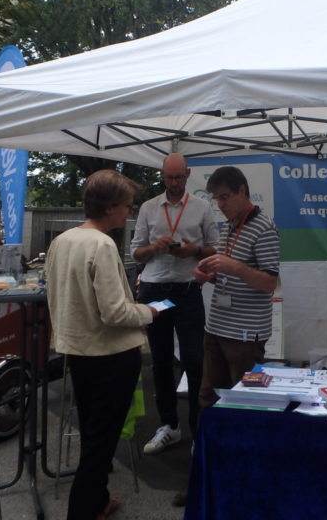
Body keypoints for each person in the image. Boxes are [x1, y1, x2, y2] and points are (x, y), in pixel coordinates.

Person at [45, 169, 158, 520]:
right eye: (127, 205)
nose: (129, 212)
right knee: (100, 443)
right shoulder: (102, 244)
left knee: (94, 435)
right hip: (111, 356)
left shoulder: (62, 241)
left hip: (78, 352)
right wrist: (149, 311)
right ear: (109, 207)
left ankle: (98, 502)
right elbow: (115, 312)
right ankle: (82, 512)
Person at [130, 153, 217, 454]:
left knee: (195, 361)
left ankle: (197, 430)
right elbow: (135, 254)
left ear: (188, 174)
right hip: (156, 291)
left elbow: (214, 248)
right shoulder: (149, 207)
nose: (175, 183)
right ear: (163, 175)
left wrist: (194, 251)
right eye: (170, 177)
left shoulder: (202, 207)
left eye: (180, 177)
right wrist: (154, 246)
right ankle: (169, 425)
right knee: (161, 360)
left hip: (187, 291)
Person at [194, 166, 280, 408]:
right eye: (216, 199)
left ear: (242, 191)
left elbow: (269, 283)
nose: (220, 204)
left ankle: (242, 446)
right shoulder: (229, 225)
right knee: (208, 396)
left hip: (244, 335)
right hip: (216, 326)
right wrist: (208, 275)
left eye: (225, 197)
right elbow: (229, 276)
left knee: (244, 401)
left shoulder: (264, 228)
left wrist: (236, 267)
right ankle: (207, 446)